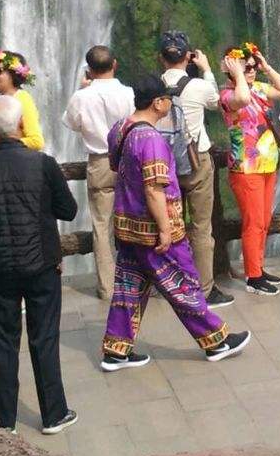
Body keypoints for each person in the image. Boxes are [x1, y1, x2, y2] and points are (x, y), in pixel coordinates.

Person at [99, 76, 252, 369]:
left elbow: (117, 168)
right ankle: (215, 341)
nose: (171, 103)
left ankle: (116, 350)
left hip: (127, 225)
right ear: (158, 103)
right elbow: (153, 189)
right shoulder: (151, 139)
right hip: (155, 230)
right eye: (168, 98)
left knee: (128, 286)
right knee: (182, 282)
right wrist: (166, 230)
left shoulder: (119, 129)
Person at [0, 94, 79, 434]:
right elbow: (68, 210)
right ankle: (53, 414)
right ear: (21, 125)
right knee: (45, 338)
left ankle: (4, 418)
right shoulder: (42, 163)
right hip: (41, 264)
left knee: (3, 341)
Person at [159, 32, 235, 308]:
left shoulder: (151, 89)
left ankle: (169, 284)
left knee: (166, 225)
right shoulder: (198, 86)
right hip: (196, 159)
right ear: (188, 55)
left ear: (160, 58)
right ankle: (205, 289)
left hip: (163, 164)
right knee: (202, 226)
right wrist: (206, 69)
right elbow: (218, 102)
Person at [219, 44, 280, 296]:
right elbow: (243, 99)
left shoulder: (260, 88)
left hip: (268, 164)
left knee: (264, 221)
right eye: (246, 67)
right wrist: (238, 74)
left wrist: (266, 66)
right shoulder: (227, 95)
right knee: (253, 222)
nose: (251, 71)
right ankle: (253, 276)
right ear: (232, 69)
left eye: (252, 67)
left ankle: (258, 266)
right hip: (245, 168)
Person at [64, 45, 135, 300]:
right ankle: (139, 280)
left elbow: (71, 123)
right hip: (129, 158)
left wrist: (85, 89)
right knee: (135, 218)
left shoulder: (82, 96)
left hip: (100, 162)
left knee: (102, 226)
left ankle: (108, 288)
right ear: (114, 64)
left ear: (89, 69)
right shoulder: (128, 93)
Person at [0, 47, 44, 151]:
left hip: (21, 162)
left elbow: (37, 142)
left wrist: (0, 142)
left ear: (13, 74)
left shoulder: (22, 99)